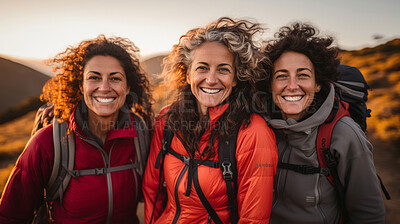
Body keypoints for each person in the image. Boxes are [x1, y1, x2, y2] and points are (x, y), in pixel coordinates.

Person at [0, 35, 152, 223]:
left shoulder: (141, 136)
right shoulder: (47, 143)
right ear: (80, 85)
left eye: (115, 78)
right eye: (94, 78)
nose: (104, 87)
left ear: (128, 87)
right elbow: (10, 216)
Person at [142, 17, 278, 224]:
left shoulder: (254, 132)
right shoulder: (167, 120)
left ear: (235, 78)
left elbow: (253, 219)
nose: (211, 79)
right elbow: (152, 190)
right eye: (202, 68)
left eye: (223, 69)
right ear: (187, 74)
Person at [263, 23, 385, 224]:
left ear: (318, 84)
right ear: (270, 85)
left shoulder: (343, 134)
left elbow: (368, 214)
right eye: (281, 76)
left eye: (303, 75)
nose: (292, 86)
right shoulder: (258, 127)